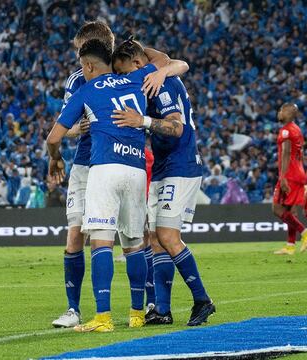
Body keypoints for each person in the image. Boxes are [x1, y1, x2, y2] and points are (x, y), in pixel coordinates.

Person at [46, 38, 188, 333]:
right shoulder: (135, 77)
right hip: (136, 169)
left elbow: (53, 138)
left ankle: (103, 318)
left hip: (104, 169)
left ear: (87, 66)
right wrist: (158, 68)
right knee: (135, 243)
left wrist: (54, 160)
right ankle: (137, 313)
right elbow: (165, 60)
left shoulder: (85, 90)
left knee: (101, 241)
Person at [111, 38, 215, 326]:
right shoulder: (153, 76)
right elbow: (163, 58)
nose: (123, 79)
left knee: (168, 237)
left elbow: (176, 127)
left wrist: (141, 121)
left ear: (136, 64)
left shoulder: (162, 84)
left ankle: (203, 300)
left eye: (123, 72)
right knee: (155, 239)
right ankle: (162, 310)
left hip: (180, 166)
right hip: (164, 166)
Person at [272, 103, 307, 255]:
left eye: (281, 110)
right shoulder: (297, 128)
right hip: (298, 173)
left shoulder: (286, 131)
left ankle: (305, 233)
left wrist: (283, 177)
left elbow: (286, 153)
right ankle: (290, 246)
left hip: (289, 174)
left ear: (288, 112)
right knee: (290, 210)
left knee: (277, 209)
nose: (279, 112)